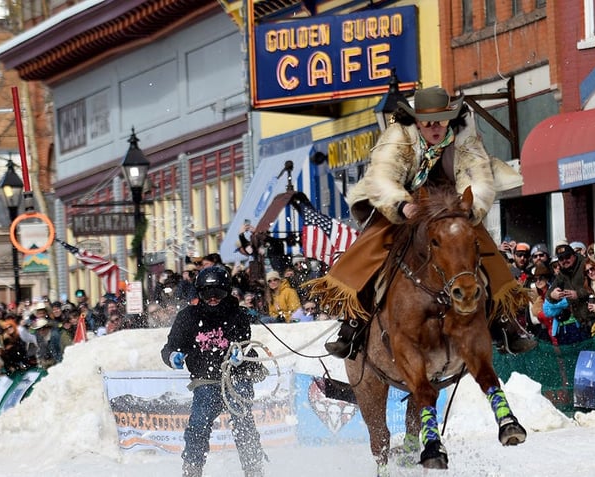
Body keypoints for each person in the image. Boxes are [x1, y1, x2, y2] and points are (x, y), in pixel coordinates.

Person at [308, 86, 534, 359]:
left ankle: (505, 323)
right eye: (428, 122)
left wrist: (470, 209)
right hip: (407, 205)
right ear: (417, 121)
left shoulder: (465, 138)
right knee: (369, 248)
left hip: (450, 206)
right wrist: (402, 205)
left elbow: (478, 176)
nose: (435, 127)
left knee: (484, 250)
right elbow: (382, 177)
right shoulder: (398, 137)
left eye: (441, 120)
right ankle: (352, 324)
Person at [161, 266, 266, 477]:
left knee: (242, 418)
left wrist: (240, 355)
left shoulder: (237, 315)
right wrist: (173, 357)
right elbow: (170, 347)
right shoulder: (188, 317)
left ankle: (253, 468)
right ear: (200, 293)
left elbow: (244, 343)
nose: (213, 298)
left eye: (218, 293)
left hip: (234, 376)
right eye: (208, 293)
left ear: (226, 292)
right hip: (205, 378)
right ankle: (192, 468)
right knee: (199, 422)